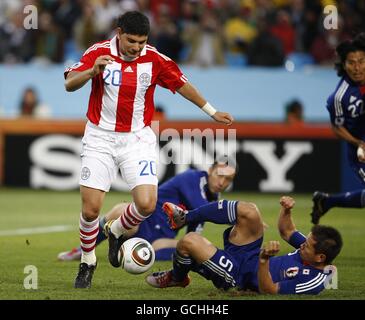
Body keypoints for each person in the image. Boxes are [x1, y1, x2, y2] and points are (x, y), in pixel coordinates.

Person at [64, 11, 233, 289]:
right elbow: (69, 83)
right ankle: (87, 261)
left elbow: (182, 85)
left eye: (141, 42)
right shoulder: (98, 52)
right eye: (131, 41)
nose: (136, 47)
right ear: (119, 33)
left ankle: (116, 229)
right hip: (99, 137)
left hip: (137, 139)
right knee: (91, 210)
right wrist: (91, 71)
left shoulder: (154, 59)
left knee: (145, 204)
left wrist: (212, 112)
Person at [146, 196, 342, 295]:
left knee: (189, 241)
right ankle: (185, 216)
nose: (302, 246)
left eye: (307, 246)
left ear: (320, 258)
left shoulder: (315, 281)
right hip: (249, 254)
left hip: (240, 276)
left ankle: (177, 277)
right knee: (249, 211)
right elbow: (287, 231)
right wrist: (287, 210)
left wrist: (264, 259)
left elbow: (269, 290)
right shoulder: (309, 250)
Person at [57, 160, 236, 261]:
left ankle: (123, 251)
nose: (222, 182)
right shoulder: (191, 177)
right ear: (211, 170)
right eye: (219, 175)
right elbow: (200, 207)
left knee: (197, 245)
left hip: (160, 239)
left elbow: (195, 228)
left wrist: (198, 245)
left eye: (228, 179)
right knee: (121, 210)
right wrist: (238, 215)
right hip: (140, 224)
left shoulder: (214, 201)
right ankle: (83, 250)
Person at [311, 33, 365, 225]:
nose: (357, 67)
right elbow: (337, 128)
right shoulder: (339, 97)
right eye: (352, 62)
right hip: (360, 153)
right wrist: (358, 143)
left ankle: (327, 201)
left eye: (361, 61)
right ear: (344, 64)